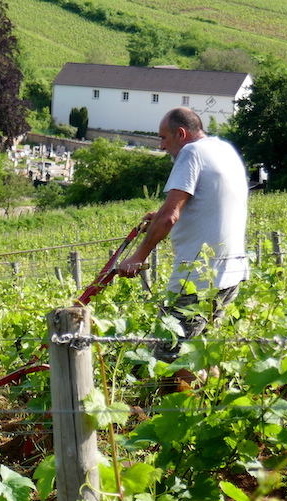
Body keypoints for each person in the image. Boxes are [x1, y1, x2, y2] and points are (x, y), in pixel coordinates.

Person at [117, 107, 249, 363]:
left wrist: (138, 257)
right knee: (199, 354)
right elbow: (210, 201)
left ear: (181, 133)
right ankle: (205, 389)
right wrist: (160, 215)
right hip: (230, 274)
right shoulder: (224, 150)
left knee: (167, 359)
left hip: (198, 280)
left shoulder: (191, 153)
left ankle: (172, 391)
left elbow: (170, 216)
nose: (162, 146)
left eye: (164, 138)